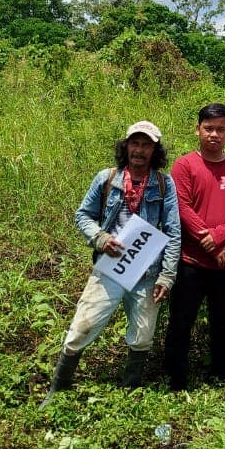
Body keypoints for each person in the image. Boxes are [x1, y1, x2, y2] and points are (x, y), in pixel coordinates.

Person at [40, 121, 181, 408]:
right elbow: (83, 216)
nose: (140, 150)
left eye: (146, 145)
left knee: (142, 336)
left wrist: (166, 276)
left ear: (155, 150)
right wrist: (101, 238)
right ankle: (58, 388)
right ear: (126, 146)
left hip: (147, 273)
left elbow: (173, 232)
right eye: (135, 143)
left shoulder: (165, 185)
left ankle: (130, 391)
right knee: (83, 326)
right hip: (110, 269)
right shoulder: (107, 179)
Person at [163, 103, 225, 390]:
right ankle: (176, 379)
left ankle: (223, 375)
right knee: (181, 321)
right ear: (198, 129)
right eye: (208, 128)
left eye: (221, 129)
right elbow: (183, 207)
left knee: (224, 323)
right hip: (191, 261)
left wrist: (219, 236)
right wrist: (213, 245)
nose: (214, 134)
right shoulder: (184, 165)